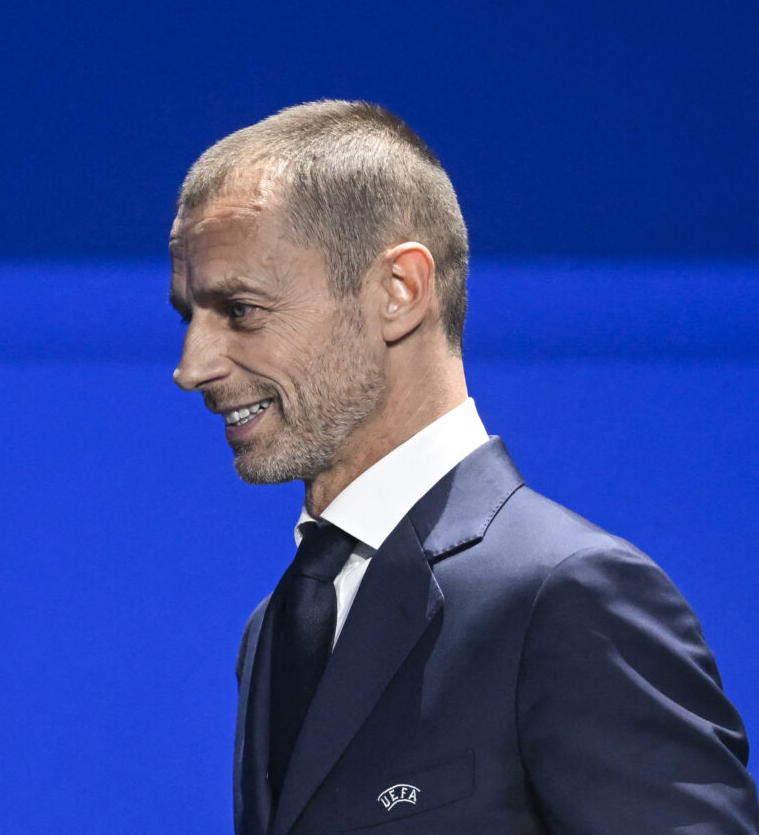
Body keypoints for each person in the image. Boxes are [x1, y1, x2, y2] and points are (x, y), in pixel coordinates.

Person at [167, 99, 759, 834]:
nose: (192, 366)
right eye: (186, 316)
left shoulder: (566, 597)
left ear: (399, 292)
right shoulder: (276, 628)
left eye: (242, 310)